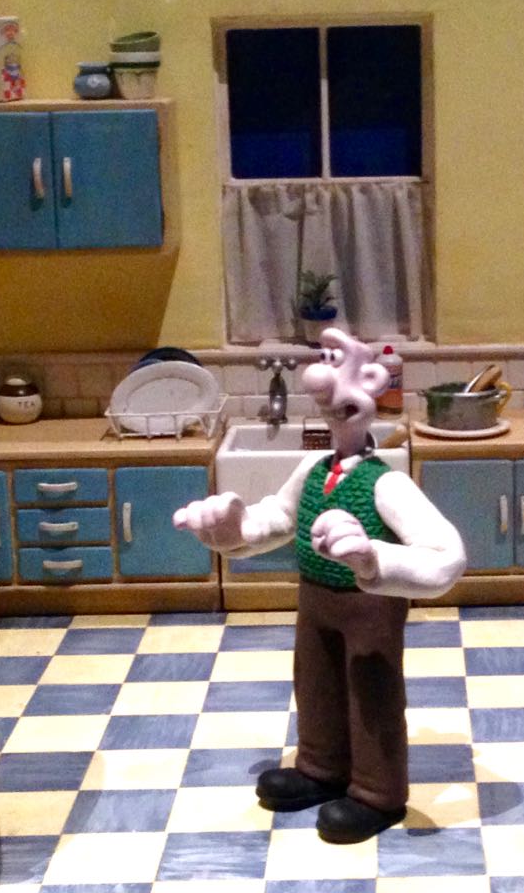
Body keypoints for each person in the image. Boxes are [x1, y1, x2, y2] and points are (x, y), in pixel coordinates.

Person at [173, 327, 466, 843]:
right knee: (315, 683)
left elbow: (447, 559)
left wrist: (373, 557)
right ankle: (321, 767)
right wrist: (235, 531)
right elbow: (278, 517)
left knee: (371, 693)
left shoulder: (386, 483)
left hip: (369, 606)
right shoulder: (313, 467)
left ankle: (378, 792)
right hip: (314, 600)